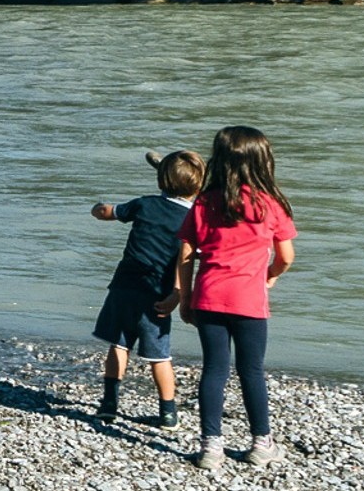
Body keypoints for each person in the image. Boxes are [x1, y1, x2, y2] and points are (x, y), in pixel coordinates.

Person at [175, 126, 297, 471]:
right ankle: (261, 444)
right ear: (262, 162)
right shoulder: (270, 204)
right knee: (251, 371)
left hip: (209, 296)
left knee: (213, 369)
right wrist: (270, 275)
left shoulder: (204, 201)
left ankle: (211, 448)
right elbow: (286, 256)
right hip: (249, 302)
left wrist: (185, 297)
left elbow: (185, 251)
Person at [87, 150, 203, 428]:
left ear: (161, 182)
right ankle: (168, 412)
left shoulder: (145, 204)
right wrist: (178, 294)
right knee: (160, 356)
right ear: (197, 188)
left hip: (124, 287)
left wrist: (98, 207)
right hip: (158, 294)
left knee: (119, 345)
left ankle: (109, 404)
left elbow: (108, 212)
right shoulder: (193, 221)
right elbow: (188, 257)